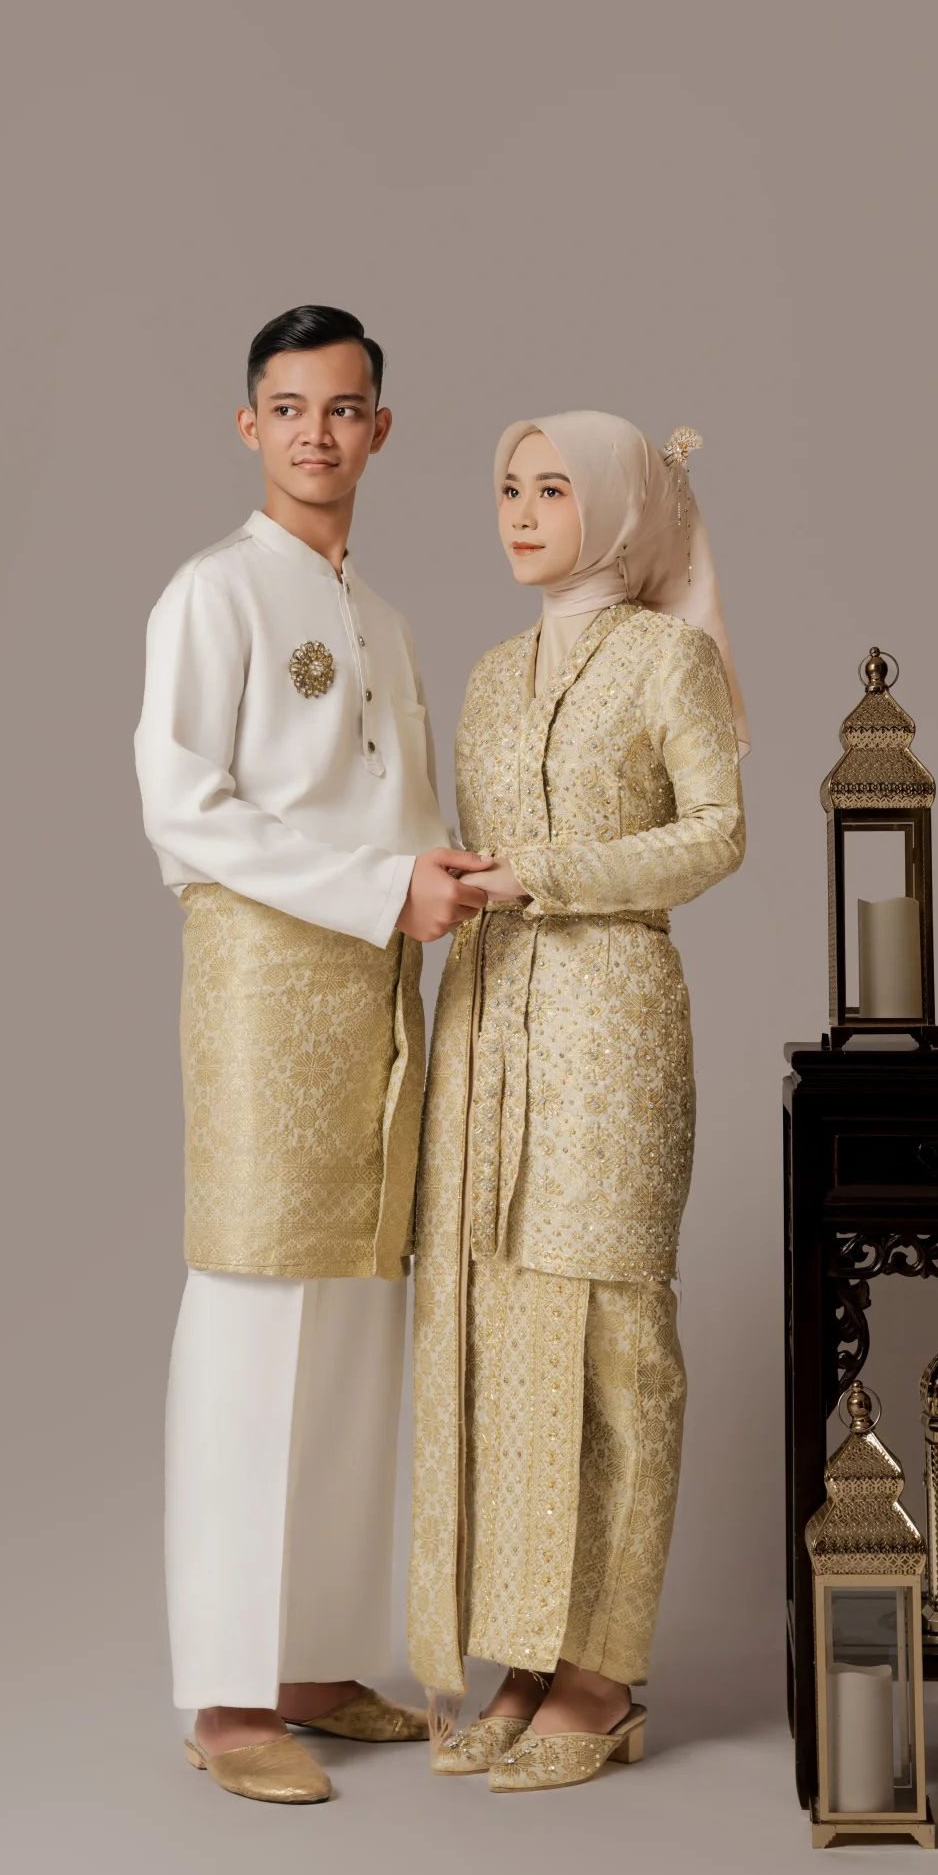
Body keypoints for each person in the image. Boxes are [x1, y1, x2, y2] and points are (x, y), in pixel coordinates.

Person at [134, 305, 496, 1807]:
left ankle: (316, 1663)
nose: (316, 435)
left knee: (358, 1309)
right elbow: (182, 808)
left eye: (343, 410)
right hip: (268, 977)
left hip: (382, 985)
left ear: (379, 429)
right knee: (254, 1307)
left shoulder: (387, 621)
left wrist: (443, 880)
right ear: (249, 426)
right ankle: (227, 1699)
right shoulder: (212, 593)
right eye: (289, 409)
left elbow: (398, 808)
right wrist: (381, 890)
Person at [407, 412, 748, 1793]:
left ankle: (603, 1675)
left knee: (612, 1338)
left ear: (615, 510)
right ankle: (526, 1654)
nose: (522, 511)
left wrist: (542, 874)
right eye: (508, 487)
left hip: (610, 1024)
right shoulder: (492, 675)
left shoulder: (670, 658)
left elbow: (717, 833)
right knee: (502, 1327)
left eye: (554, 489)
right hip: (487, 1022)